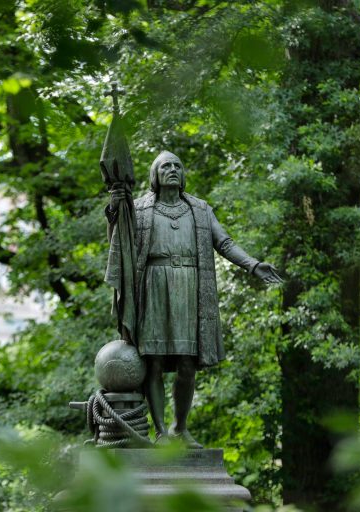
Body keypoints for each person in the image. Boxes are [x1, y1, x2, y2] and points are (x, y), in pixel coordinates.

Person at [107, 150, 282, 447]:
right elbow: (119, 240)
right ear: (155, 175)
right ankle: (161, 432)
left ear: (183, 174)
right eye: (165, 166)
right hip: (154, 285)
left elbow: (224, 242)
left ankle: (180, 428)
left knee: (188, 363)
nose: (172, 169)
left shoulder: (200, 210)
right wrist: (115, 207)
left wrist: (252, 264)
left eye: (177, 165)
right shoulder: (141, 208)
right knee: (155, 362)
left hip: (190, 287)